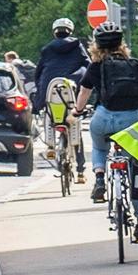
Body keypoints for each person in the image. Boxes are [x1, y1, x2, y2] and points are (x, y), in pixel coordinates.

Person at [69, 25, 138, 238]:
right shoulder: (135, 65)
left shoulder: (96, 67)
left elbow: (84, 93)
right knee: (137, 168)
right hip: (131, 122)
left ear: (96, 46)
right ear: (121, 44)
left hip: (103, 118)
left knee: (99, 148)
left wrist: (77, 111)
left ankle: (99, 178)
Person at [33, 19, 91, 180]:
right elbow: (89, 66)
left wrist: (39, 95)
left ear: (55, 32)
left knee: (49, 115)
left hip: (49, 90)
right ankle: (80, 170)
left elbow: (38, 73)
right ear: (70, 31)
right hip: (71, 91)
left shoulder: (47, 49)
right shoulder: (77, 46)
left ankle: (50, 146)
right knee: (74, 124)